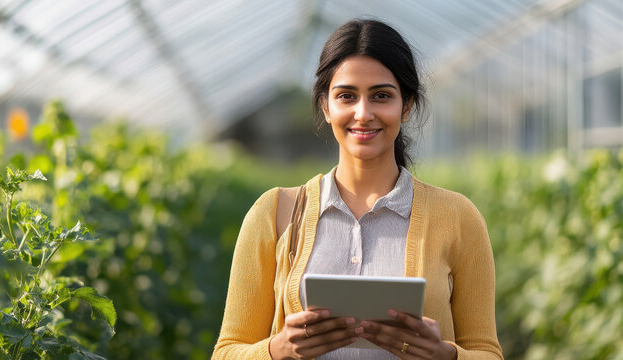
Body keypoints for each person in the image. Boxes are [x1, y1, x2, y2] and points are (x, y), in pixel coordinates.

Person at [212, 19, 503, 360]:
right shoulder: (274, 213)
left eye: (381, 96)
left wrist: (444, 355)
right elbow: (226, 351)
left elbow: (488, 352)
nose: (363, 114)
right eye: (346, 96)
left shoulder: (457, 217)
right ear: (325, 106)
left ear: (406, 106)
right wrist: (278, 350)